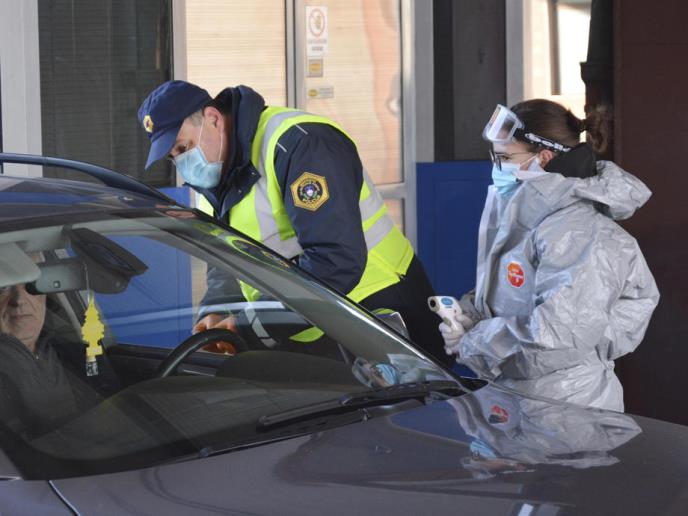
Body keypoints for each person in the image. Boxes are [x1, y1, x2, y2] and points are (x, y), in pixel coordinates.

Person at [137, 81, 450, 365]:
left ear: (213, 118)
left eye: (183, 148)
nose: (182, 163)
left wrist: (251, 325)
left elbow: (335, 259)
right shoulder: (214, 177)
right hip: (304, 324)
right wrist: (218, 311)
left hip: (376, 311)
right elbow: (227, 260)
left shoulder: (300, 145)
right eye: (173, 157)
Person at [439, 99, 659, 411]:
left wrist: (475, 340)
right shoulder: (533, 216)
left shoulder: (577, 231)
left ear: (543, 158)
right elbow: (515, 291)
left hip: (566, 406)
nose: (497, 168)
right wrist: (469, 316)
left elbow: (559, 334)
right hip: (523, 395)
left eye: (506, 158)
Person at [0, 279, 116, 437]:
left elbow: (115, 407)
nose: (19, 300)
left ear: (45, 297)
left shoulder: (80, 353)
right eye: (3, 287)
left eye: (32, 286)